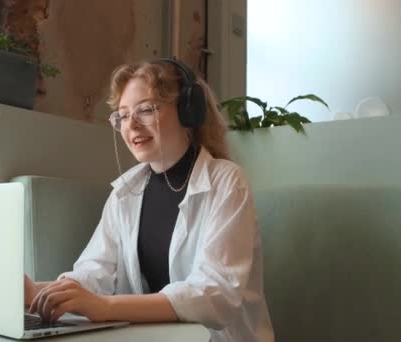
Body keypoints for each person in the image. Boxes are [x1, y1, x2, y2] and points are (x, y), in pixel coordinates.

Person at [24, 59, 274, 342]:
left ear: (187, 111)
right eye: (122, 115)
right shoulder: (125, 192)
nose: (131, 125)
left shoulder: (227, 181)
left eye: (145, 110)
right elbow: (95, 271)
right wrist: (35, 292)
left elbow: (214, 294)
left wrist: (105, 308)